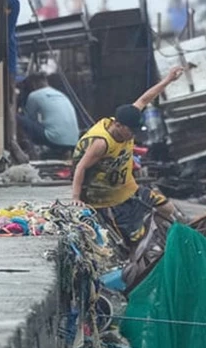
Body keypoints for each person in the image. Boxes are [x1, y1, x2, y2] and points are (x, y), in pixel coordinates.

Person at [70, 66, 186, 249]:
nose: (133, 135)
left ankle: (170, 238)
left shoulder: (128, 118)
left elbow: (145, 99)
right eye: (130, 131)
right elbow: (81, 167)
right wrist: (76, 197)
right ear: (118, 125)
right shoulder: (101, 143)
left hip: (128, 189)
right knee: (135, 239)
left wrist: (168, 79)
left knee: (168, 209)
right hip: (106, 199)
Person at [18, 73, 79, 159]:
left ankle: (30, 154)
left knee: (18, 119)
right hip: (74, 141)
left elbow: (30, 118)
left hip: (54, 140)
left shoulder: (34, 95)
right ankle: (65, 151)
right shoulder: (60, 94)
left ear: (33, 84)